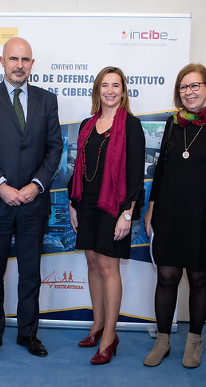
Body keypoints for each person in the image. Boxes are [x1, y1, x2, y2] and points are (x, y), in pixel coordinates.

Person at [142, 64, 206, 368]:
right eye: (183, 87)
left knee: (199, 278)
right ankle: (162, 340)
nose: (189, 92)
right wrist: (151, 207)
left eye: (194, 85)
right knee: (166, 276)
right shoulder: (174, 123)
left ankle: (194, 341)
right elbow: (161, 168)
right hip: (169, 212)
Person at [0, 37, 62, 359]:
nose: (19, 65)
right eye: (13, 59)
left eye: (25, 60)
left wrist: (37, 185)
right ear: (2, 61)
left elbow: (54, 148)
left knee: (30, 273)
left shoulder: (47, 100)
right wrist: (0, 185)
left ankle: (28, 333)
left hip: (33, 203)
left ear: (32, 63)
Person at [68, 66, 146, 365]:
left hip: (115, 206)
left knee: (108, 267)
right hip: (86, 203)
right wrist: (73, 204)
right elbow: (79, 167)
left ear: (123, 91)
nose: (110, 91)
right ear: (97, 90)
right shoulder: (87, 124)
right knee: (92, 263)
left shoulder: (132, 125)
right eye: (104, 85)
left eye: (115, 85)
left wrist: (128, 213)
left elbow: (136, 173)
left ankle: (110, 336)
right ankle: (97, 325)